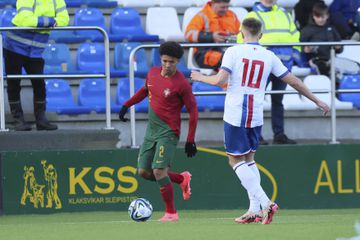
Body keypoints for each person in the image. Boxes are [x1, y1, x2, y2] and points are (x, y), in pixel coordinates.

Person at [191, 18, 330, 224]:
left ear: (241, 33)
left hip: (236, 112)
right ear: (261, 35)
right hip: (255, 114)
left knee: (234, 160)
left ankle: (266, 203)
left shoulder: (233, 52)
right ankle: (254, 210)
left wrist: (200, 77)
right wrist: (317, 100)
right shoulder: (269, 55)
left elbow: (220, 80)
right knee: (249, 160)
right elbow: (294, 81)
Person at [118, 41, 198, 222]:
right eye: (165, 61)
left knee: (159, 172)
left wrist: (190, 139)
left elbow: (193, 110)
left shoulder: (182, 84)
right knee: (144, 172)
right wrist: (126, 105)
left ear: (178, 62)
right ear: (160, 59)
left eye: (172, 62)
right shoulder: (153, 73)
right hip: (151, 131)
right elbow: (145, 91)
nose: (168, 65)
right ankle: (180, 179)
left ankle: (171, 213)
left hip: (169, 132)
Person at [237, 0, 300, 145]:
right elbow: (242, 38)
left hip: (283, 63)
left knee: (278, 100)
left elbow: (295, 34)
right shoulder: (253, 14)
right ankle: (254, 135)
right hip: (262, 64)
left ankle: (279, 135)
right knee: (256, 101)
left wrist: (295, 52)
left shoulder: (285, 13)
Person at [3, 0, 69, 131]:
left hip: (36, 50)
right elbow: (25, 20)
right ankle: (18, 120)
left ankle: (41, 120)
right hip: (14, 47)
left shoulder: (57, 1)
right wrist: (51, 21)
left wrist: (40, 21)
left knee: (39, 84)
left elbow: (65, 19)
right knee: (14, 84)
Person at [185, 0, 240, 69]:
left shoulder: (232, 15)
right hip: (206, 52)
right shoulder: (202, 15)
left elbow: (240, 33)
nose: (225, 10)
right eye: (222, 7)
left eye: (227, 7)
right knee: (228, 59)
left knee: (237, 58)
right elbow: (188, 34)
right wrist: (211, 36)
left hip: (229, 49)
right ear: (213, 3)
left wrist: (234, 37)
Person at [301, 2, 343, 76]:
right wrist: (306, 49)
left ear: (327, 16)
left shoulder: (332, 29)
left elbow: (340, 48)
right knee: (322, 67)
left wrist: (338, 47)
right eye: (318, 16)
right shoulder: (306, 30)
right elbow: (301, 48)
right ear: (313, 16)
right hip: (315, 60)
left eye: (323, 16)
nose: (320, 19)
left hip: (332, 60)